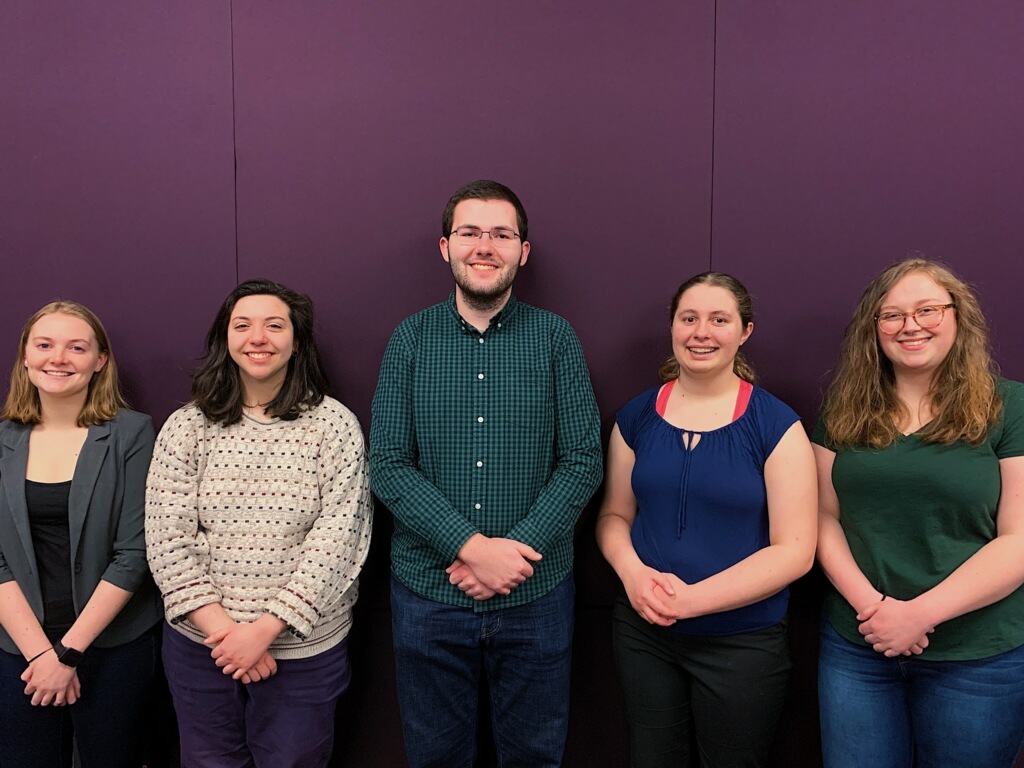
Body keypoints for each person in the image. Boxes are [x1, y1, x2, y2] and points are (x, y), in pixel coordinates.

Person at [369, 179, 603, 767]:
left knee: (534, 757)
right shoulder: (411, 339)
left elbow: (581, 461)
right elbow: (390, 466)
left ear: (523, 251)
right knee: (436, 758)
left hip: (537, 594)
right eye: (470, 232)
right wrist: (472, 547)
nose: (484, 246)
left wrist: (514, 553)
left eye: (501, 234)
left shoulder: (555, 339)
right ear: (444, 246)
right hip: (428, 593)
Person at [145, 279, 372, 768]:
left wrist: (264, 632)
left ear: (298, 340)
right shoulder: (187, 426)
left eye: (275, 325)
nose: (258, 337)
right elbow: (167, 541)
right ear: (224, 339)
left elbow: (340, 540)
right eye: (242, 325)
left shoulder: (333, 426)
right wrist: (228, 635)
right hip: (203, 648)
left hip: (303, 651)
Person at [595, 272, 817, 768]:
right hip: (644, 634)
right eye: (689, 318)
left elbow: (795, 550)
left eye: (720, 320)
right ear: (672, 327)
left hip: (742, 644)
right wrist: (634, 576)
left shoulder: (776, 426)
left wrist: (693, 601)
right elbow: (613, 515)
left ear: (745, 332)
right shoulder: (635, 417)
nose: (702, 332)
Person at [813, 258, 1024, 768]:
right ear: (874, 329)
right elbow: (820, 518)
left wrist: (919, 616)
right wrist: (876, 613)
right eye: (892, 315)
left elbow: (1019, 539)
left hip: (978, 656)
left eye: (928, 309)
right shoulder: (843, 410)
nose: (911, 325)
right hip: (857, 647)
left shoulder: (1008, 406)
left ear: (958, 317)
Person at [0, 301, 162, 768]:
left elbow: (133, 555)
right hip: (20, 649)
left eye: (77, 347)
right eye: (45, 345)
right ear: (26, 357)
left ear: (100, 361)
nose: (59, 358)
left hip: (112, 648)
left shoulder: (132, 434)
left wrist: (68, 653)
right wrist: (42, 657)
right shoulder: (3, 442)